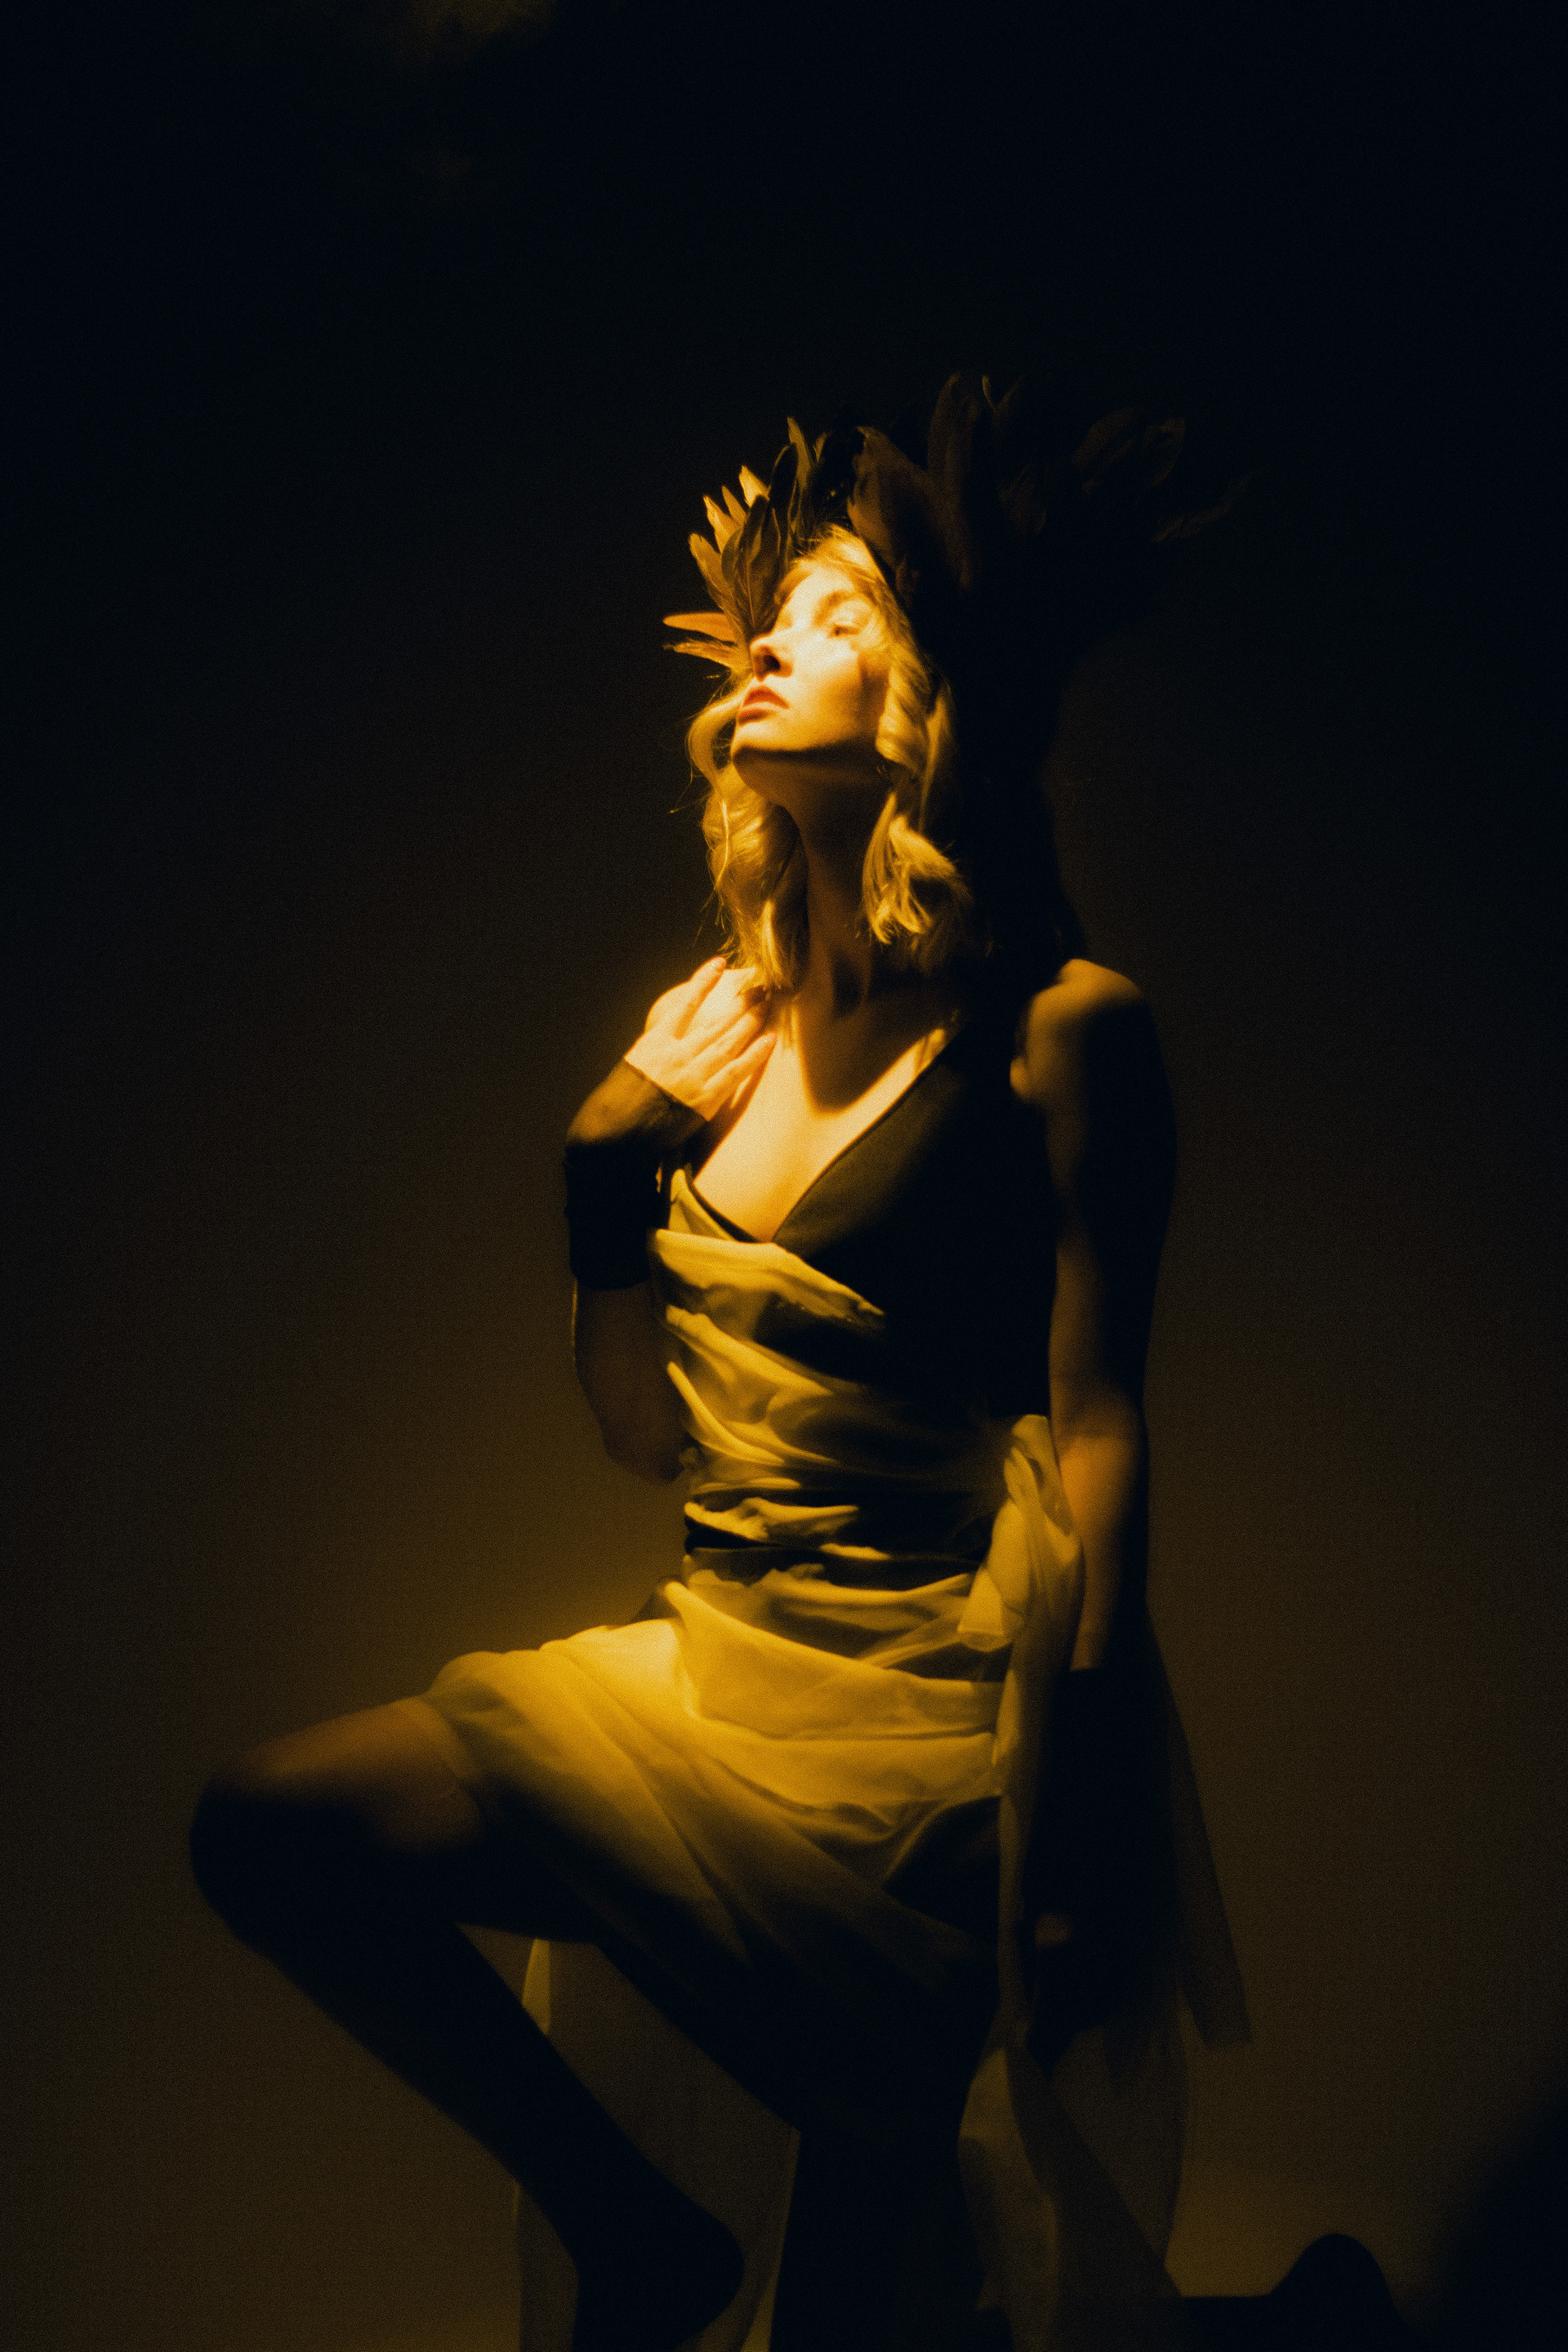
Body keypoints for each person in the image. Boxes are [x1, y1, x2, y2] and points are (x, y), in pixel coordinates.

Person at [190, 376, 1248, 2352]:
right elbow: (641, 1435)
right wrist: (606, 1165)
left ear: (933, 703)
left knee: (869, 2301)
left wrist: (1094, 1794)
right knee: (265, 1829)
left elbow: (1101, 1419)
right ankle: (640, 2235)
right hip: (704, 1672)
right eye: (776, 616)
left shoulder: (1066, 1028)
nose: (772, 642)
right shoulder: (724, 1030)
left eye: (839, 619)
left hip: (913, 1761)